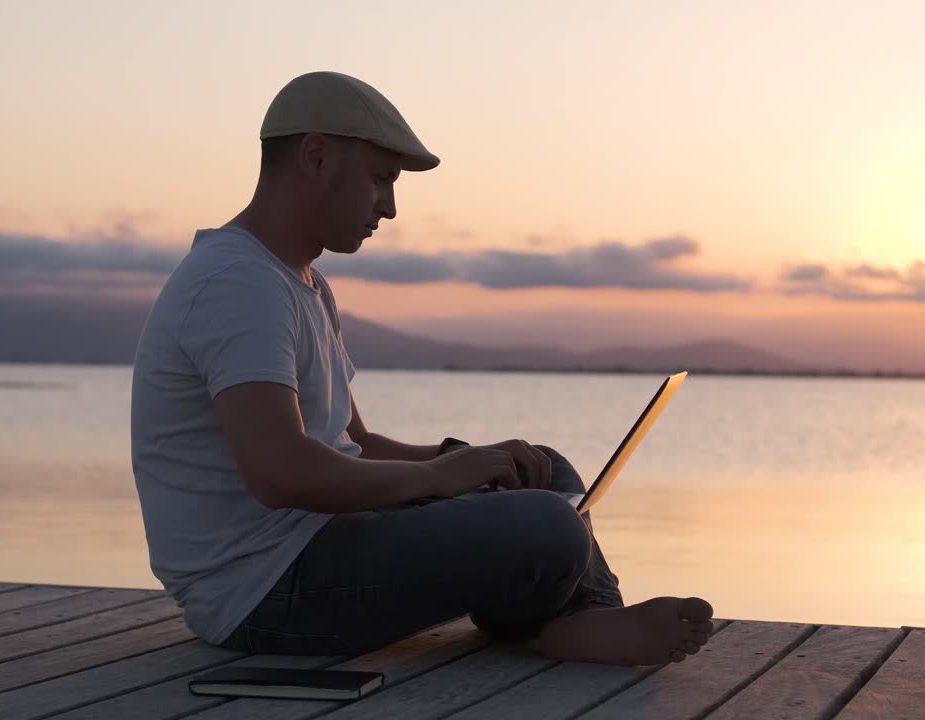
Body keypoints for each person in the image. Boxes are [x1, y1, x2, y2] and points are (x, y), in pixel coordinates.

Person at [130, 71, 714, 666]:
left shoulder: (301, 284)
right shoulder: (236, 284)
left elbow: (354, 444)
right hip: (265, 591)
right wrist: (439, 478)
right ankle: (570, 624)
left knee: (538, 469)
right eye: (381, 179)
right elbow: (281, 474)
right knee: (546, 525)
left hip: (323, 540)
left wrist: (466, 461)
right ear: (316, 155)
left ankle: (577, 619)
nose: (389, 206)